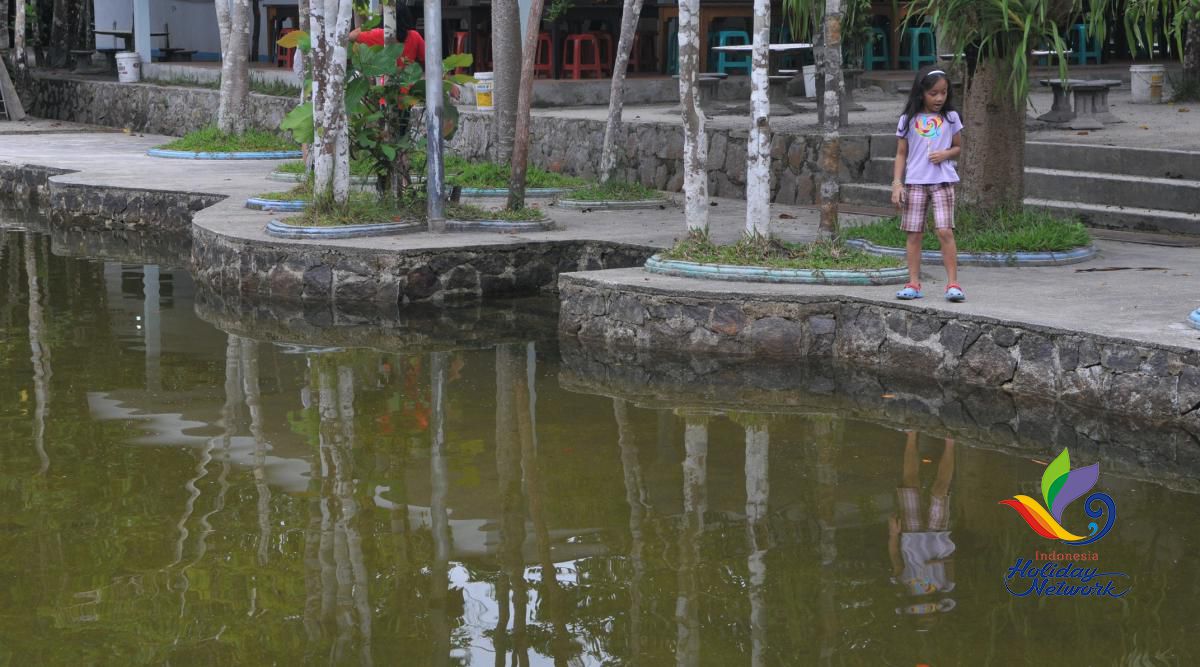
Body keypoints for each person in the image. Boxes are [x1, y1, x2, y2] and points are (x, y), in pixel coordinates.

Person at [891, 67, 965, 303]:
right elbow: (901, 153)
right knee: (914, 234)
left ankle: (953, 284)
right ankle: (913, 283)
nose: (939, 98)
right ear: (921, 92)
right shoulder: (907, 120)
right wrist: (897, 183)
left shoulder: (951, 117)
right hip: (914, 183)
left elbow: (958, 148)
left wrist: (946, 154)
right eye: (934, 93)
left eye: (943, 92)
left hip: (943, 181)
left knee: (944, 230)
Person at [888, 431, 957, 630]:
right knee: (940, 490)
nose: (925, 609)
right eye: (929, 614)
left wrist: (893, 534)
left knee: (910, 483)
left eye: (922, 614)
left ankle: (911, 434)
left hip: (909, 535)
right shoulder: (946, 586)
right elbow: (952, 559)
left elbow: (895, 556)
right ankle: (950, 441)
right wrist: (938, 561)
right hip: (938, 536)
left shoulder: (902, 584)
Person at [348, 7, 425, 69]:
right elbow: (428, 58)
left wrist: (368, 26)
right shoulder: (415, 36)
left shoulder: (379, 34)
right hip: (408, 84)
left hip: (385, 85)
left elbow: (351, 36)